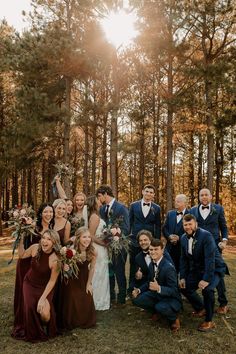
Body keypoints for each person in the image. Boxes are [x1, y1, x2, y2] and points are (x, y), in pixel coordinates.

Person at [12, 203, 55, 338]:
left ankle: (44, 321)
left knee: (45, 312)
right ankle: (31, 325)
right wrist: (20, 233)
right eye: (46, 212)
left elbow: (53, 279)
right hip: (31, 264)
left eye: (50, 212)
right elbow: (23, 253)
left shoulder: (52, 231)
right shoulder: (34, 227)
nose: (49, 214)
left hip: (45, 273)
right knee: (29, 304)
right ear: (41, 213)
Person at [179, 214, 226, 332]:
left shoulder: (206, 236)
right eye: (185, 225)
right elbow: (183, 259)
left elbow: (210, 259)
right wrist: (183, 277)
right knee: (184, 287)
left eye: (190, 224)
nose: (188, 227)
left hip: (214, 268)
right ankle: (201, 308)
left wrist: (206, 279)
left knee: (208, 289)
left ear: (196, 224)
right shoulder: (183, 238)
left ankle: (209, 320)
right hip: (198, 269)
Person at [190, 188, 229, 314]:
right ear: (199, 197)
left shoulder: (218, 209)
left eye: (206, 194)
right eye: (202, 195)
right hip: (199, 246)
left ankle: (223, 303)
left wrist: (224, 241)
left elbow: (223, 227)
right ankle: (203, 301)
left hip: (215, 246)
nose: (204, 197)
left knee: (217, 271)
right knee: (201, 269)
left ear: (211, 196)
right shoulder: (193, 210)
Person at [132, 239, 182, 332]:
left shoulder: (168, 268)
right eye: (151, 250)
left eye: (156, 249)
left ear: (162, 250)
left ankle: (174, 318)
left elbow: (174, 290)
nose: (153, 252)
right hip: (157, 294)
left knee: (160, 306)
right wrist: (138, 290)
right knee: (136, 300)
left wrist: (159, 288)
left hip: (171, 298)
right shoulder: (152, 264)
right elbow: (148, 282)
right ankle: (158, 312)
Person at [96, 185, 129, 306]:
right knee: (108, 271)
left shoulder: (121, 207)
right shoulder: (102, 209)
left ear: (105, 194)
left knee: (119, 271)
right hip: (106, 246)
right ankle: (111, 296)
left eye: (100, 196)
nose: (99, 199)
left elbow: (126, 227)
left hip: (119, 246)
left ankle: (122, 298)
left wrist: (116, 236)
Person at [58, 227, 96, 330]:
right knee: (72, 296)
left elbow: (92, 269)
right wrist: (64, 267)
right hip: (71, 279)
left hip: (83, 279)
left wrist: (89, 284)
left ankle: (82, 320)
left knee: (87, 295)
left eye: (89, 237)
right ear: (78, 238)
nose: (87, 239)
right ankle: (71, 320)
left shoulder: (92, 252)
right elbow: (63, 265)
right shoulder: (71, 250)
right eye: (84, 237)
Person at [129, 184, 161, 293]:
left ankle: (148, 287)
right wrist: (128, 238)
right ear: (142, 191)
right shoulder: (133, 206)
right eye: (147, 191)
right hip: (135, 241)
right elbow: (129, 223)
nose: (149, 194)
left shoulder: (156, 208)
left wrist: (156, 242)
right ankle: (132, 287)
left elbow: (158, 225)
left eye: (151, 192)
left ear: (153, 195)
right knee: (134, 264)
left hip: (149, 242)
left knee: (150, 264)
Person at [87, 195, 110, 310]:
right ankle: (96, 301)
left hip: (101, 247)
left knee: (101, 273)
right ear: (94, 203)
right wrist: (104, 243)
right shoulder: (95, 217)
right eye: (98, 200)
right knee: (98, 273)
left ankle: (100, 300)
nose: (100, 202)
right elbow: (91, 235)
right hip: (98, 248)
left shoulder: (96, 215)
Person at [162, 194, 189, 272]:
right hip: (169, 249)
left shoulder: (190, 214)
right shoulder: (170, 213)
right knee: (169, 271)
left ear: (185, 203)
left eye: (178, 201)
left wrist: (179, 238)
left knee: (183, 272)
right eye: (175, 201)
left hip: (183, 248)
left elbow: (192, 230)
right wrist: (169, 236)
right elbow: (164, 228)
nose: (176, 203)